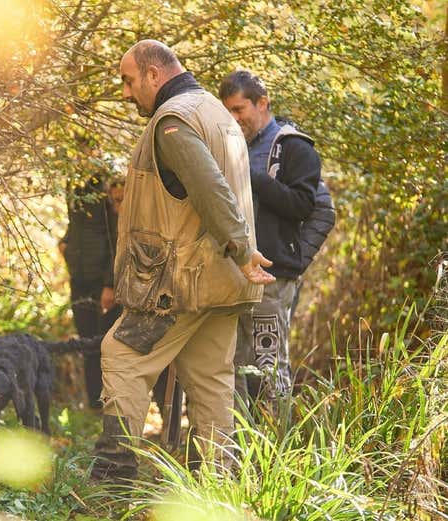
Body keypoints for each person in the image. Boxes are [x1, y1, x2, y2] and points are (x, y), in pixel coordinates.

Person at [90, 40, 274, 482]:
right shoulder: (212, 110)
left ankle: (113, 482)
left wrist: (241, 248)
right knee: (211, 383)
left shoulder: (173, 120)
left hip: (180, 284)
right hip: (220, 282)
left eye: (129, 81)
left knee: (121, 358)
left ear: (155, 75)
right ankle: (221, 489)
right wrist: (239, 256)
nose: (126, 92)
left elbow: (210, 187)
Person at [219, 71, 323, 411]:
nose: (234, 119)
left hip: (271, 279)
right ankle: (235, 454)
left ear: (262, 103)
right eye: (228, 112)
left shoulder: (294, 147)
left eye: (239, 109)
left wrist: (291, 261)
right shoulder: (231, 146)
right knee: (229, 367)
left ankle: (276, 456)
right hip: (231, 275)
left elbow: (304, 206)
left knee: (268, 367)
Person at [60, 173, 124, 410]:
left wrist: (110, 284)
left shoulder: (106, 183)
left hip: (102, 279)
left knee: (106, 346)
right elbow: (74, 223)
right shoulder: (73, 180)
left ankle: (112, 406)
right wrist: (65, 243)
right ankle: (93, 407)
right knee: (87, 342)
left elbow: (117, 235)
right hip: (79, 276)